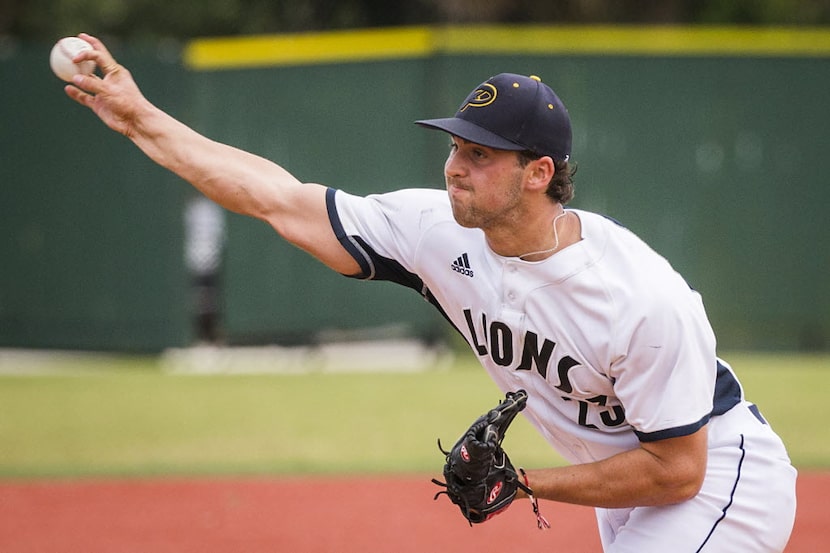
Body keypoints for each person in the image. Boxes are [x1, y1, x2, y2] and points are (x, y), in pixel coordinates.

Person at [65, 34, 797, 552]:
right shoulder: (434, 231)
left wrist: (522, 479)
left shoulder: (639, 298)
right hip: (636, 491)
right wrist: (139, 118)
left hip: (720, 480)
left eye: (479, 154)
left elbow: (678, 469)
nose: (455, 166)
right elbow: (277, 199)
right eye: (454, 146)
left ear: (538, 173)